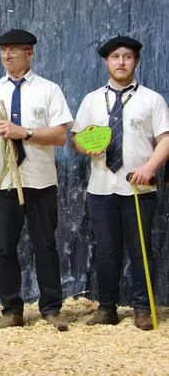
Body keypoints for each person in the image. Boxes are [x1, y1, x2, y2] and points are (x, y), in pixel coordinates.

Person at [0, 29, 73, 331]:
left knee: (46, 245)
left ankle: (51, 308)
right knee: (4, 247)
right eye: (3, 50)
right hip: (2, 184)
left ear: (30, 54)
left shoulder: (49, 90)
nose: (6, 55)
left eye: (14, 50)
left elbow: (60, 136)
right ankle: (11, 309)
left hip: (40, 181)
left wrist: (23, 132)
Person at [71, 35, 169, 330]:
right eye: (115, 57)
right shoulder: (91, 100)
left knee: (141, 249)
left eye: (127, 56)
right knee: (106, 250)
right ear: (107, 62)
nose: (121, 62)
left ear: (136, 61)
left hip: (138, 188)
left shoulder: (152, 99)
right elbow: (76, 139)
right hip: (100, 188)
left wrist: (150, 167)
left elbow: (165, 139)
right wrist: (84, 147)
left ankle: (143, 308)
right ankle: (107, 308)